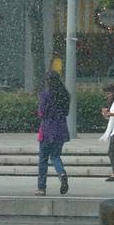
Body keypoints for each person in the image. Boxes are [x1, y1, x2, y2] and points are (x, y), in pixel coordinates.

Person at [36, 68, 70, 196]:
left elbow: (42, 113)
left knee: (43, 159)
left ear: (47, 81)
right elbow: (66, 112)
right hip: (61, 129)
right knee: (55, 156)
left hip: (47, 129)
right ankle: (61, 173)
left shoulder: (45, 95)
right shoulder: (65, 94)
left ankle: (41, 188)